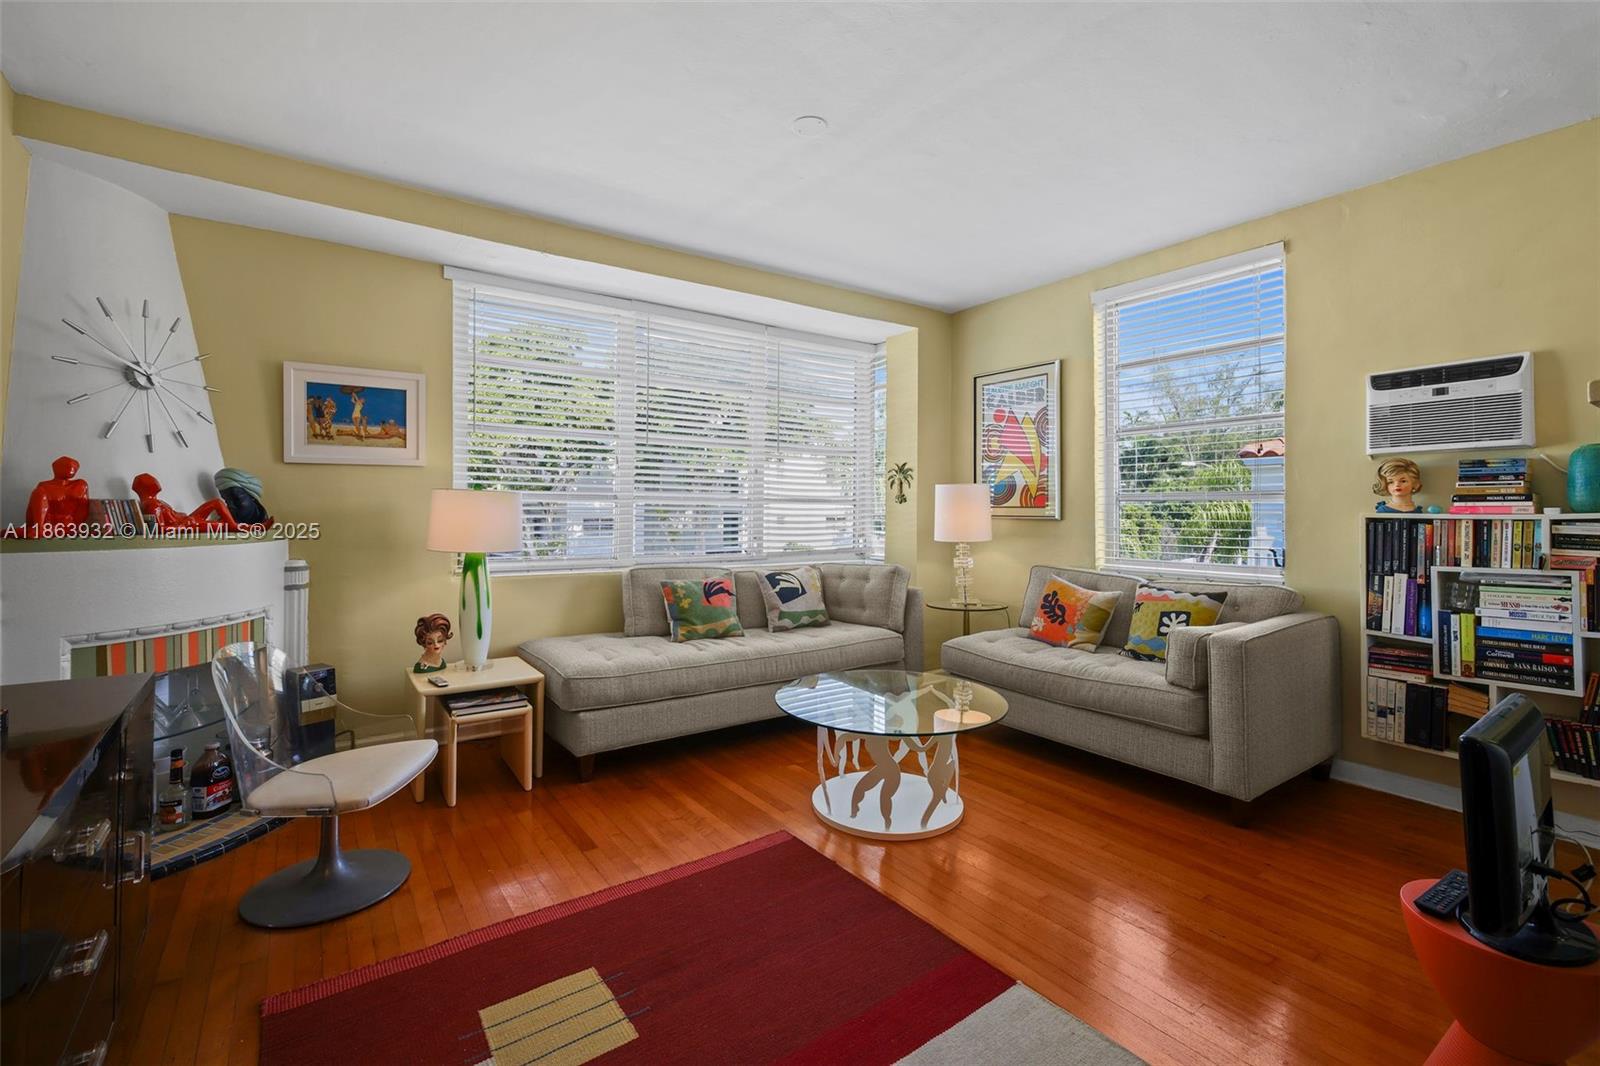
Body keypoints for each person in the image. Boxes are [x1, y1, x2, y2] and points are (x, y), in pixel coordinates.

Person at [132, 473, 236, 531]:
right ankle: (234, 526)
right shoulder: (152, 505)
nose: (156, 481)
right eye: (152, 480)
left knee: (217, 502)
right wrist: (183, 526)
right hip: (189, 525)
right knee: (222, 525)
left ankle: (234, 525)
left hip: (189, 520)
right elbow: (161, 530)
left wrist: (180, 515)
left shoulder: (155, 502)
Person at [24, 455, 90, 537]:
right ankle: (38, 529)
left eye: (74, 467)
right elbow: (32, 513)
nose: (71, 468)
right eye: (66, 466)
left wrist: (77, 527)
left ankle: (37, 530)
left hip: (70, 526)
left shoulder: (80, 485)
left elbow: (83, 510)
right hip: (47, 526)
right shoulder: (44, 486)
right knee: (39, 493)